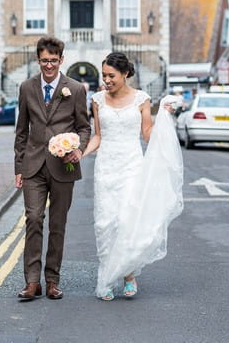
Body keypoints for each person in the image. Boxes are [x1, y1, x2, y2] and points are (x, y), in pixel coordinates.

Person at [82, 52, 184, 301]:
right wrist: (80, 153)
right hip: (106, 167)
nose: (106, 80)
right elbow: (98, 135)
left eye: (111, 75)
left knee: (127, 220)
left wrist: (164, 118)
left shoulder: (142, 99)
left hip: (131, 166)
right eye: (104, 75)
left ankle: (128, 274)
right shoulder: (97, 100)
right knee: (105, 223)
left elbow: (147, 133)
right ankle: (106, 276)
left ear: (125, 73)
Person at [14, 36, 91, 300]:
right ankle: (32, 282)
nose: (49, 66)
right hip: (33, 165)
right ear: (38, 60)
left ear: (61, 60)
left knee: (58, 225)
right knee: (34, 219)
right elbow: (21, 130)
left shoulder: (76, 89)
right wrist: (18, 166)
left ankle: (53, 280)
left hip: (63, 167)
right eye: (44, 61)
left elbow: (84, 127)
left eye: (54, 61)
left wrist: (78, 148)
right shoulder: (26, 88)